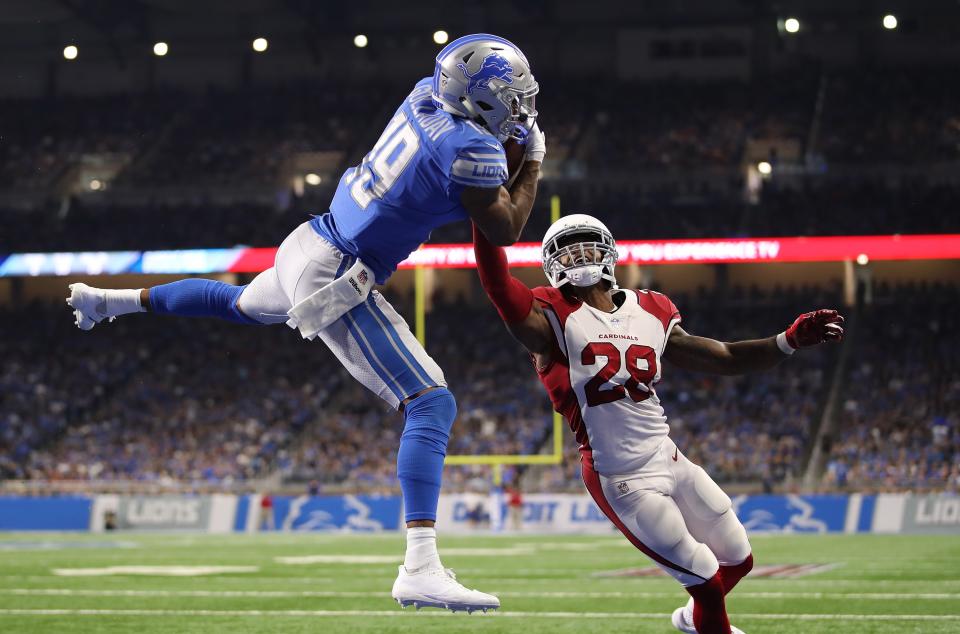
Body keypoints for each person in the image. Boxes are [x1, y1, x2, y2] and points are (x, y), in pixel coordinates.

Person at [65, 33, 545, 613]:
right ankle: (420, 565)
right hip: (339, 270)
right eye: (508, 96)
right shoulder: (472, 149)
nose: (519, 107)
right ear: (477, 97)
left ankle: (107, 302)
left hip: (313, 240)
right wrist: (535, 160)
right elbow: (505, 228)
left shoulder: (425, 95)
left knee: (235, 303)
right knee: (431, 403)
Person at [471, 214, 844, 633]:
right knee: (703, 575)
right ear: (551, 266)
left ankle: (690, 620)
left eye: (586, 244)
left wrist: (787, 341)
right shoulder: (548, 317)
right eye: (566, 249)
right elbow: (498, 287)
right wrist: (483, 218)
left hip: (669, 457)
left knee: (739, 558)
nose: (578, 255)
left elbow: (724, 356)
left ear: (609, 251)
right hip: (622, 478)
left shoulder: (649, 308)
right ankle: (705, 619)